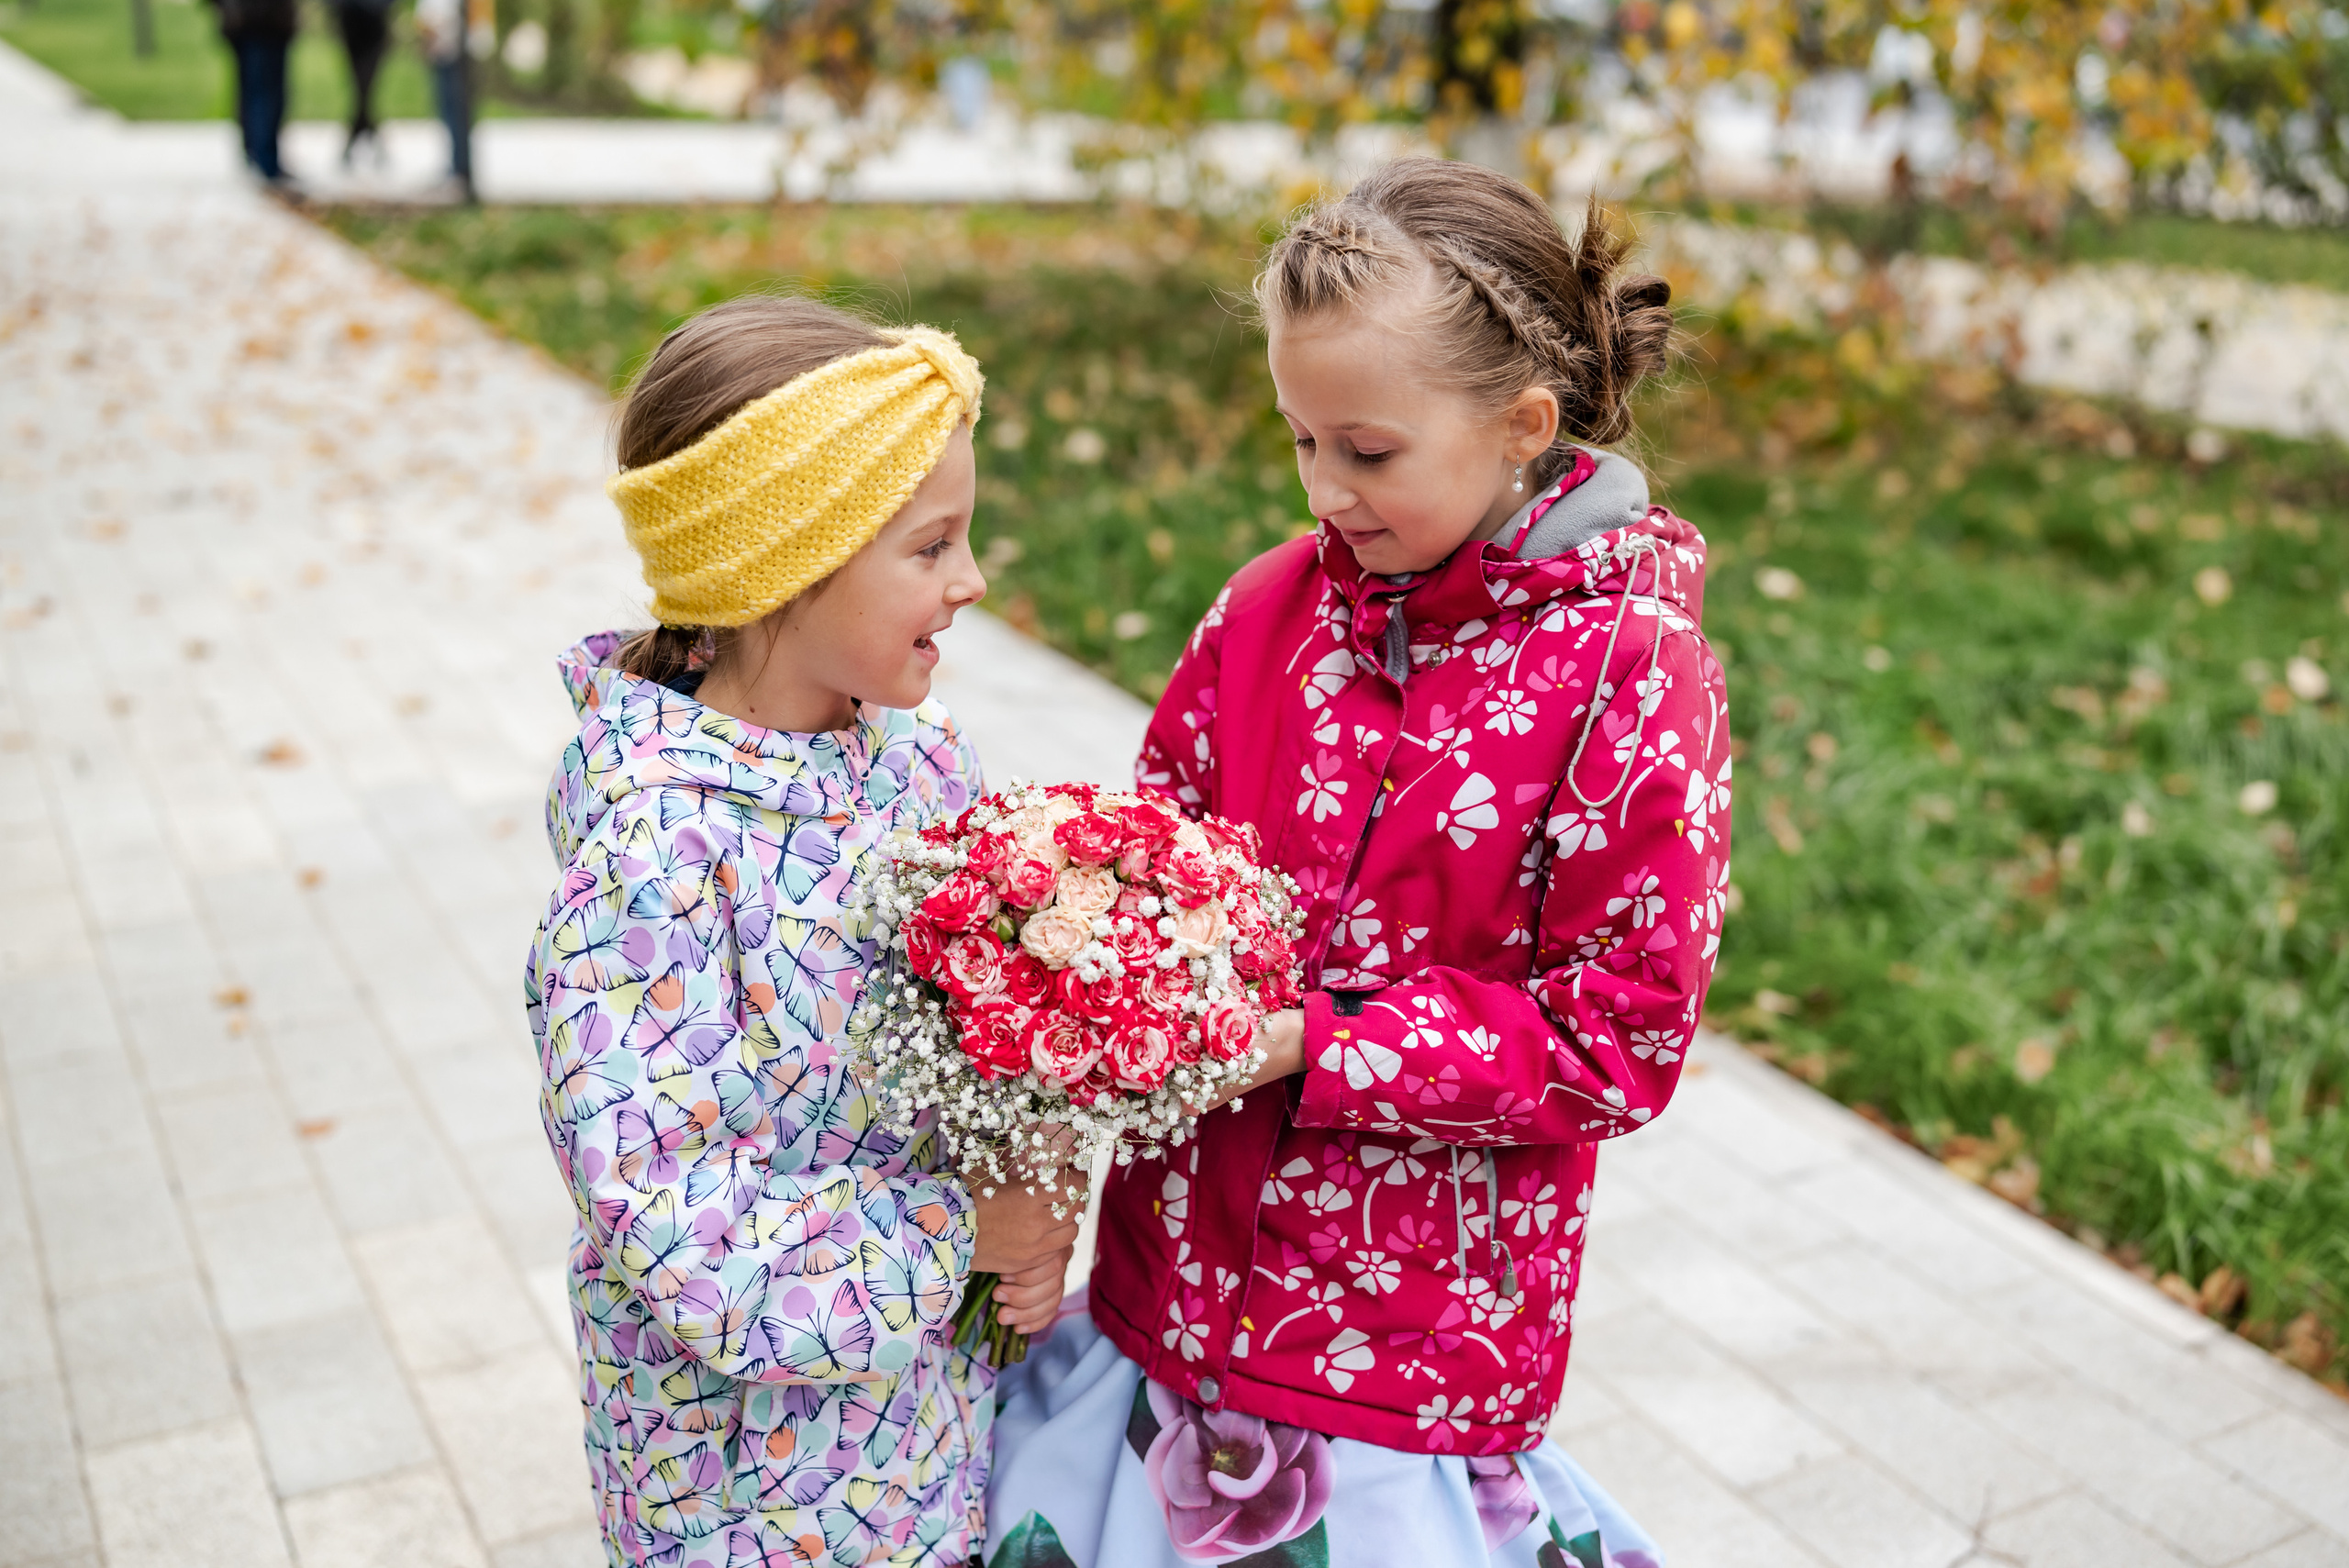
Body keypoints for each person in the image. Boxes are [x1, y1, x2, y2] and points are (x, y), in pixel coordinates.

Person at [985, 157, 1729, 1567]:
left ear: (1521, 426)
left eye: (1368, 451)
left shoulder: (1631, 674)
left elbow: (1616, 1033)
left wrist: (1309, 1045)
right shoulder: (1270, 608)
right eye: (1300, 440)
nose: (1326, 488)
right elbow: (1149, 871)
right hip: (1174, 1299)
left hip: (1400, 1362)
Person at [525, 295, 1078, 1568]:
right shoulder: (652, 864)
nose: (973, 580)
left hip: (927, 1438)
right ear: (783, 558)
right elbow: (683, 1233)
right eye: (932, 545)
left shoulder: (926, 772)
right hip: (746, 1497)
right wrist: (961, 1239)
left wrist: (1034, 1197)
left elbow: (993, 1043)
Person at [206, 0, 298, 189]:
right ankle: (266, 160)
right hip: (263, 22)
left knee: (253, 90)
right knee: (265, 93)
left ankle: (254, 153)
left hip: (248, 21)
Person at [414, 0, 480, 201]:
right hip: (446, 42)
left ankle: (460, 171)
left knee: (455, 109)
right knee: (449, 108)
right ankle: (456, 168)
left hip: (450, 42)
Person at [327, 0, 394, 168]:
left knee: (365, 85)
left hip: (373, 21)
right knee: (361, 85)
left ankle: (356, 132)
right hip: (352, 21)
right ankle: (367, 132)